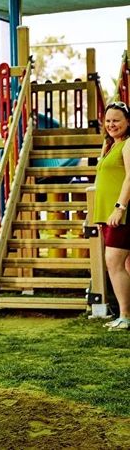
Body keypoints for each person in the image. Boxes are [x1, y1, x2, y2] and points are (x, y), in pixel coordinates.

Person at [94, 101, 130, 330]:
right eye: (108, 121)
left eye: (116, 120)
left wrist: (119, 208)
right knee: (125, 263)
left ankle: (125, 315)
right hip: (110, 214)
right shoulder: (110, 145)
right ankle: (126, 314)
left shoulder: (128, 144)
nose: (111, 124)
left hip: (122, 213)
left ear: (128, 122)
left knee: (113, 262)